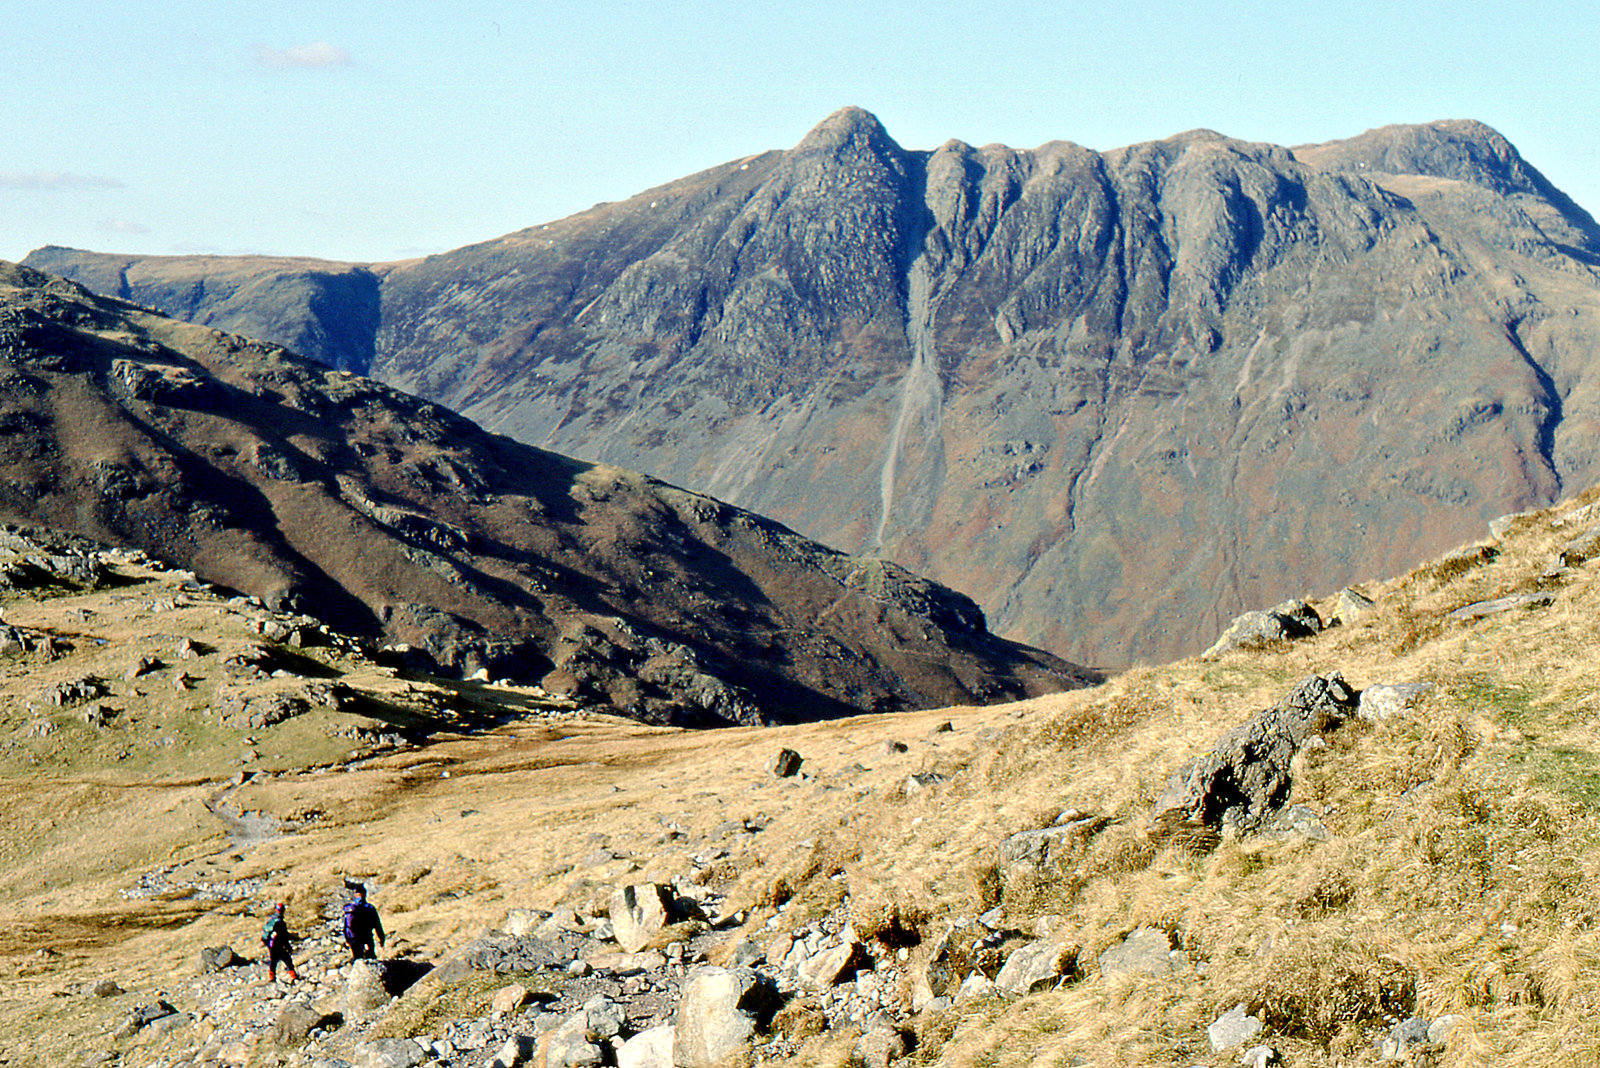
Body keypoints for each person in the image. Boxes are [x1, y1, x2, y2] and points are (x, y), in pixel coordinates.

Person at [342, 884, 385, 961]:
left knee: (358, 959)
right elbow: (377, 925)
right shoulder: (369, 908)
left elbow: (346, 926)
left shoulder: (349, 908)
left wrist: (347, 939)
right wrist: (381, 938)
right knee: (371, 959)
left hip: (354, 939)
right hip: (367, 937)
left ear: (355, 895)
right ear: (365, 894)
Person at [261, 902, 298, 983]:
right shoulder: (280, 923)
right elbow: (284, 937)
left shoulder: (271, 920)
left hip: (271, 945)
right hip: (279, 945)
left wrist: (266, 942)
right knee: (287, 960)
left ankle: (272, 977)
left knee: (273, 961)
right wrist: (288, 947)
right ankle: (294, 976)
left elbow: (266, 933)